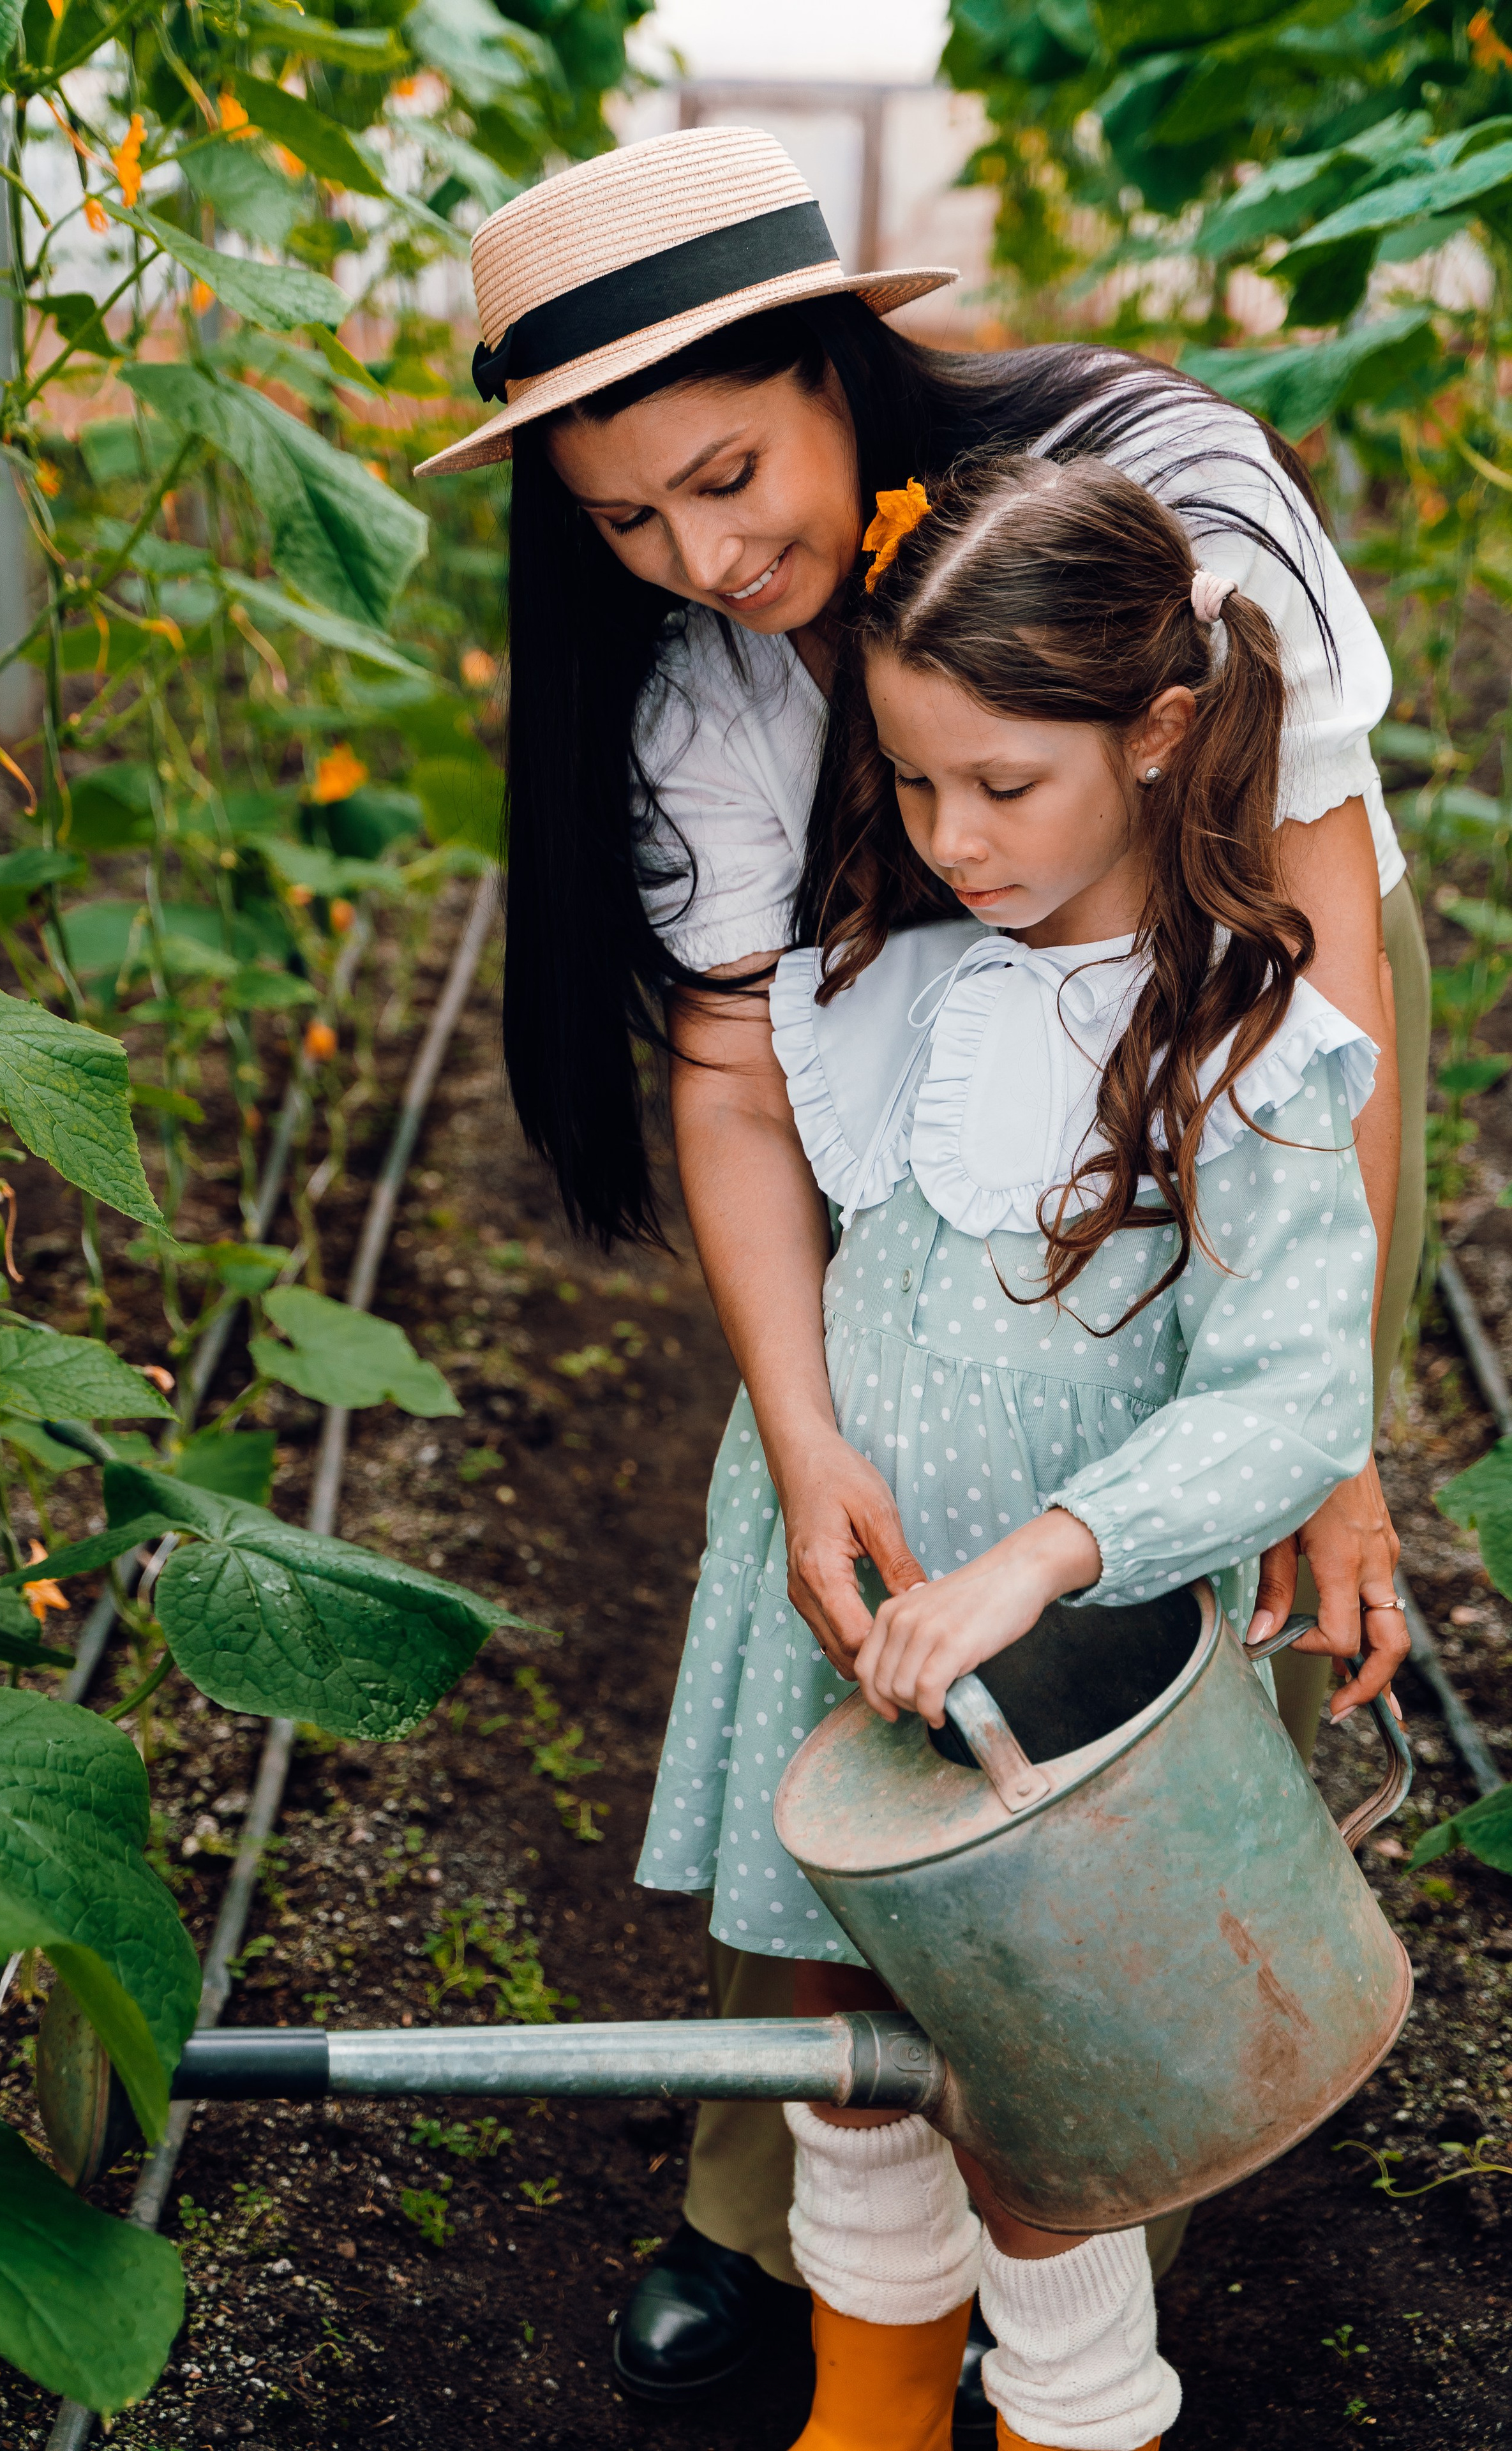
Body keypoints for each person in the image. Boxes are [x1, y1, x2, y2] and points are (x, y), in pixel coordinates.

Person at [415, 123, 1420, 2410]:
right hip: (958, 1252)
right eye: (623, 520)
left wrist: (1331, 1448)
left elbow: (1324, 964)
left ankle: (1088, 2272)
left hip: (1230, 1013)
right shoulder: (710, 678)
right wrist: (798, 1429)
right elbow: (748, 1079)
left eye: (728, 471)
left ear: (838, 365)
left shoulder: (1164, 511)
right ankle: (811, 2273)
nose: (701, 551)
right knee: (854, 1835)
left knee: (1096, 1880)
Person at [640, 450, 1391, 2451]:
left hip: (1062, 1679)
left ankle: (1078, 2418)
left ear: (1156, 738)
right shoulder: (896, 983)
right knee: (850, 2060)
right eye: (911, 784)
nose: (952, 838)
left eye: (1005, 787)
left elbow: (1291, 1396)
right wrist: (805, 1471)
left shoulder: (1248, 1041)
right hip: (853, 1609)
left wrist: (1051, 1553)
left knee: (1028, 2095)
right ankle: (869, 2405)